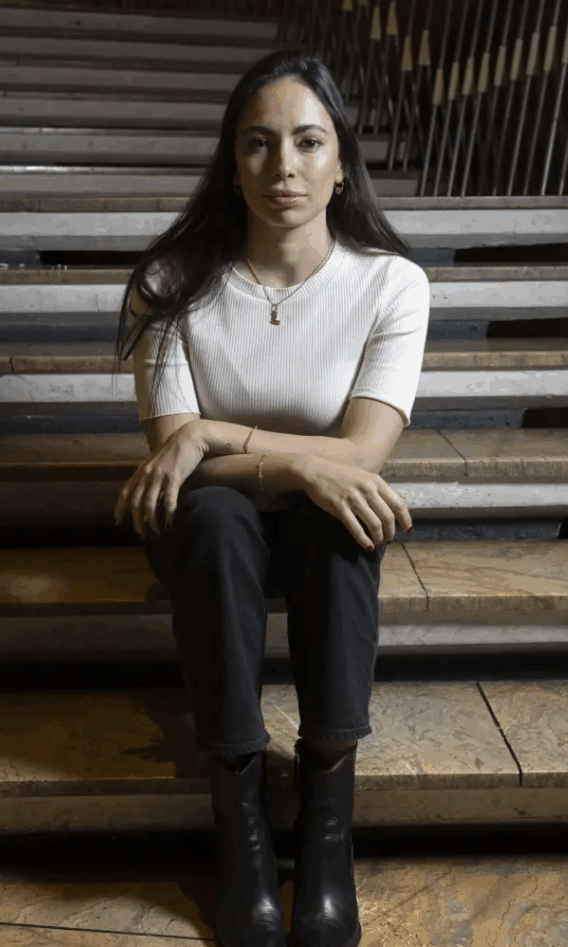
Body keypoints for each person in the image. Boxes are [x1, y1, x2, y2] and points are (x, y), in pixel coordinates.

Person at [113, 49, 429, 947]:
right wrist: (287, 462)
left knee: (340, 516)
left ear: (341, 165)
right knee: (216, 514)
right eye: (258, 143)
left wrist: (216, 435)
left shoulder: (390, 284)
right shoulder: (170, 283)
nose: (282, 166)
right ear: (232, 162)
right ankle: (241, 816)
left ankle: (327, 819)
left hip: (317, 527)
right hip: (205, 531)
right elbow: (173, 466)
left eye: (307, 142)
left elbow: (360, 457)